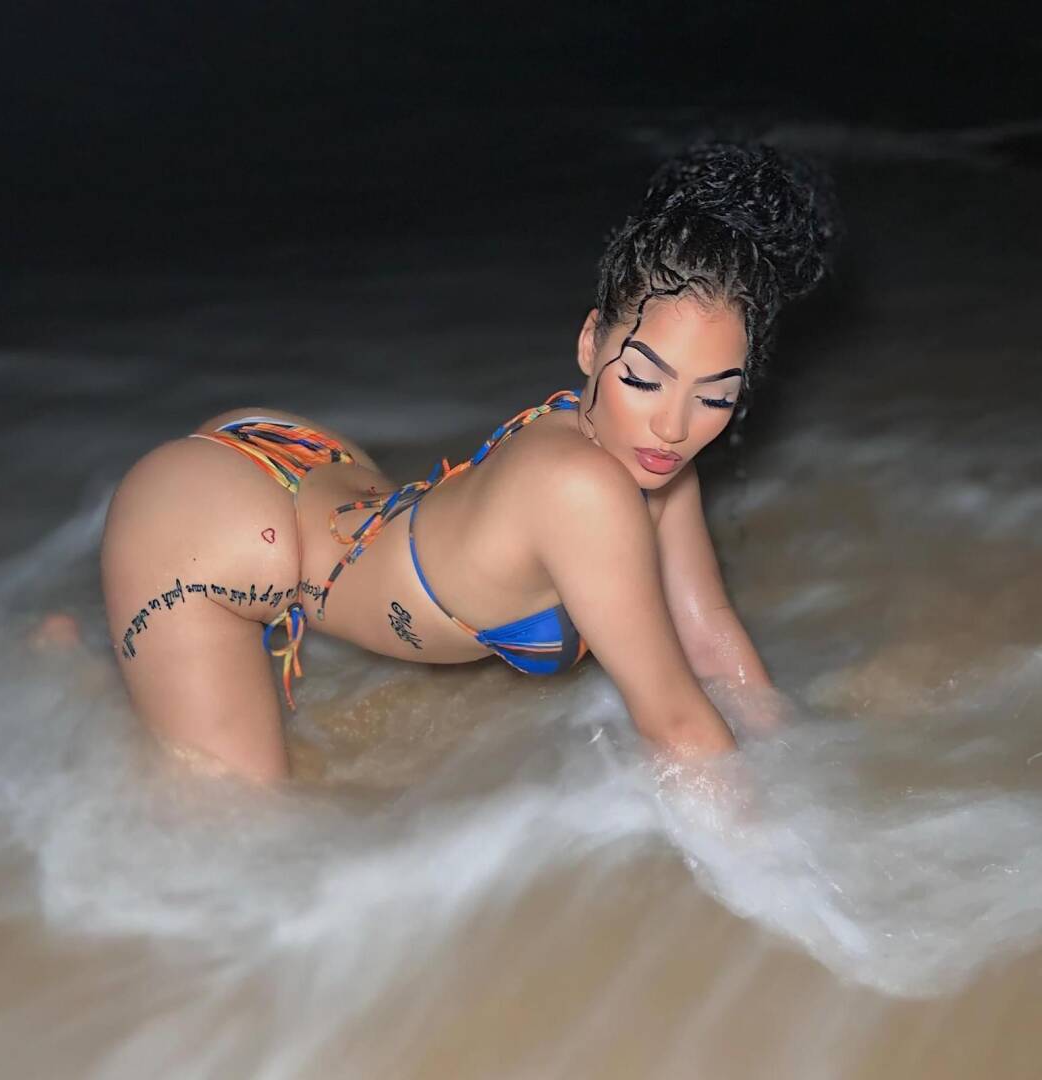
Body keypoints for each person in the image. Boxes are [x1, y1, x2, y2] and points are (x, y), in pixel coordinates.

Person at [101, 142, 837, 781]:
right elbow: (676, 724)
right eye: (643, 379)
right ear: (591, 343)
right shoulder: (580, 487)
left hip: (305, 466)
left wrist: (814, 773)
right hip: (212, 533)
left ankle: (68, 654)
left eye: (715, 396)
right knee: (240, 840)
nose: (673, 426)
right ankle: (73, 665)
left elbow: (711, 645)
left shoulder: (659, 471)